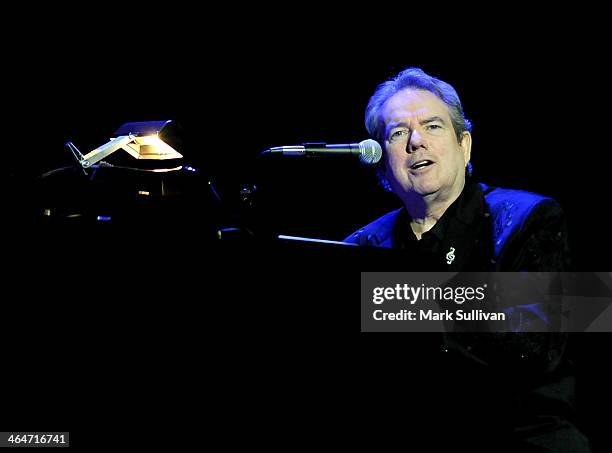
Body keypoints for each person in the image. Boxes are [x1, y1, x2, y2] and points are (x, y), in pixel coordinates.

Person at [347, 67, 591, 451]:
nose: (416, 142)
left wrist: (388, 301)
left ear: (465, 146)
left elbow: (536, 343)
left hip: (521, 435)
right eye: (397, 133)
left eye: (433, 126)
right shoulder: (361, 247)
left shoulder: (531, 216)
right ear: (380, 164)